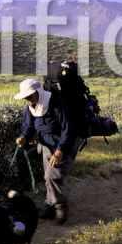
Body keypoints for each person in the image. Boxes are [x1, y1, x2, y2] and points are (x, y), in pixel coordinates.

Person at [14, 78, 83, 224]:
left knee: (52, 176)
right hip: (46, 145)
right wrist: (23, 137)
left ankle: (60, 207)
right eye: (26, 97)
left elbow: (68, 129)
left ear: (38, 92)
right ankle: (49, 205)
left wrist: (60, 150)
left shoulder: (57, 104)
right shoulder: (31, 107)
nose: (28, 100)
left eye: (30, 96)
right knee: (47, 177)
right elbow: (28, 126)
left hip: (63, 145)